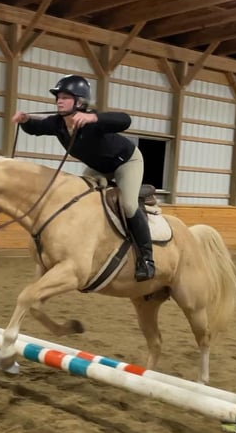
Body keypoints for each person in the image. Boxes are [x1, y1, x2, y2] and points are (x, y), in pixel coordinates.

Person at [12, 74, 156, 282]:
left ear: (79, 102)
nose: (59, 101)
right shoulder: (58, 124)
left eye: (65, 97)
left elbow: (125, 120)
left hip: (126, 162)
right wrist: (25, 121)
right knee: (78, 195)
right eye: (58, 97)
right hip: (98, 169)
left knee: (128, 205)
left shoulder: (92, 121)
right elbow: (36, 128)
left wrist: (94, 117)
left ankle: (147, 260)